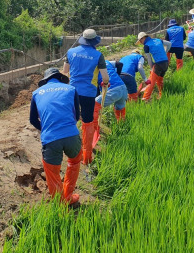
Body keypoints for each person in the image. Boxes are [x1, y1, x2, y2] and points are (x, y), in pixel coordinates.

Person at [30, 68, 81, 205]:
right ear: (60, 78)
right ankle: (68, 196)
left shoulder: (36, 93)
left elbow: (33, 120)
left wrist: (47, 129)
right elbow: (76, 116)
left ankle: (60, 206)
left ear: (45, 81)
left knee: (52, 173)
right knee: (74, 161)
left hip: (50, 138)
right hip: (72, 135)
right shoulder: (71, 89)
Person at [62, 29, 109, 165]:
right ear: (94, 41)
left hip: (72, 91)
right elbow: (105, 77)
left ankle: (69, 148)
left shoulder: (71, 52)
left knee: (72, 117)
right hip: (88, 93)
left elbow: (65, 71)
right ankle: (86, 156)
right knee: (87, 122)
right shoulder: (98, 55)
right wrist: (105, 83)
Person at [93, 60, 129, 137]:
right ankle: (122, 127)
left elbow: (94, 87)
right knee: (120, 109)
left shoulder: (92, 66)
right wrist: (118, 75)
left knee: (94, 105)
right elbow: (119, 64)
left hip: (113, 90)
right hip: (123, 88)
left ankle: (94, 129)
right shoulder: (106, 62)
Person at [136, 32, 171, 102]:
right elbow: (169, 44)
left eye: (140, 41)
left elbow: (149, 59)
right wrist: (165, 52)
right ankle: (162, 95)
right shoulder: (158, 40)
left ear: (143, 38)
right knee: (159, 81)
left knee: (151, 81)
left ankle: (145, 98)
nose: (141, 42)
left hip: (158, 64)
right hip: (166, 63)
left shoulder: (146, 45)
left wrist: (151, 68)